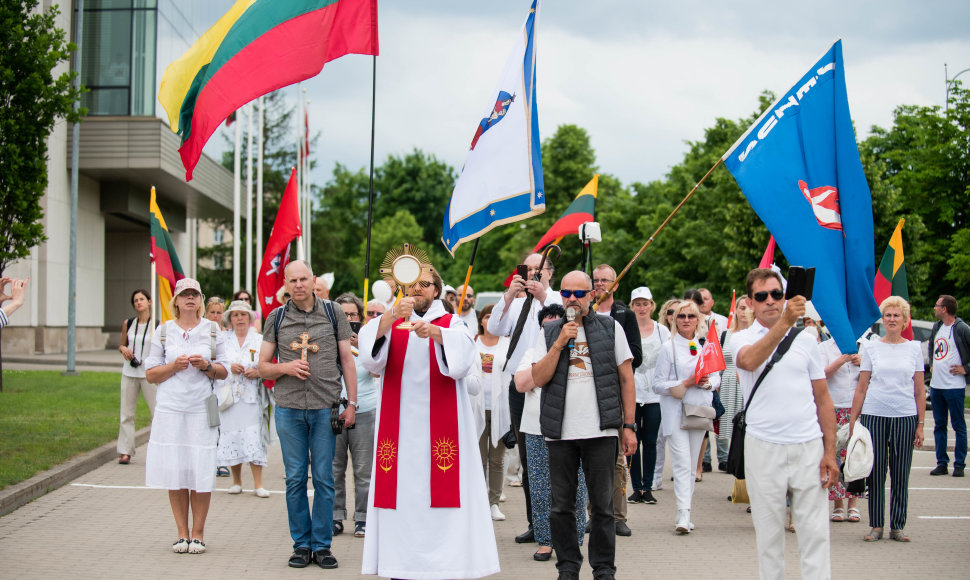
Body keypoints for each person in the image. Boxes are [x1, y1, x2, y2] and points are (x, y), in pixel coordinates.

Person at [358, 264, 500, 578]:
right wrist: (391, 316)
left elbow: (463, 361)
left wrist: (435, 333)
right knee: (402, 498)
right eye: (412, 284)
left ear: (436, 290)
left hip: (442, 435)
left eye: (425, 284)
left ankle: (445, 566)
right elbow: (369, 357)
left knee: (443, 499)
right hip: (399, 436)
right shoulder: (390, 322)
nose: (417, 289)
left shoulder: (452, 322)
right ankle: (400, 565)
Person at [731, 268, 838, 580]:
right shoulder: (740, 338)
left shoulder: (807, 340)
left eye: (776, 294)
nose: (770, 301)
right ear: (750, 302)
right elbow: (749, 361)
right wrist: (786, 323)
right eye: (761, 296)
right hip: (764, 446)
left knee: (815, 533)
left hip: (808, 446)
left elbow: (823, 398)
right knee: (769, 535)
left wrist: (830, 452)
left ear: (785, 295)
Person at [530, 270, 637, 580]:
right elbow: (538, 377)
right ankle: (567, 566)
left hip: (601, 431)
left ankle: (603, 568)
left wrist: (628, 425)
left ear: (593, 295)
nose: (573, 299)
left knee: (603, 507)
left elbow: (627, 378)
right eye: (566, 294)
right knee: (561, 507)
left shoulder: (610, 327)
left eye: (579, 293)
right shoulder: (550, 332)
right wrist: (559, 343)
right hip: (560, 432)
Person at [257, 260, 357, 570]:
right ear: (285, 284)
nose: (299, 285)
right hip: (288, 409)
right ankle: (301, 545)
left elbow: (347, 359)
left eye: (303, 279)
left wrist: (351, 403)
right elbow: (261, 366)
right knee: (296, 479)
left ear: (313, 280)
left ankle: (323, 545)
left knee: (325, 480)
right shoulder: (276, 317)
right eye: (293, 280)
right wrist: (285, 367)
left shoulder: (332, 312)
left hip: (324, 408)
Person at [144, 278, 229, 555]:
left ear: (200, 300)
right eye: (185, 294)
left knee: (201, 469)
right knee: (176, 469)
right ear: (176, 301)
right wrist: (173, 366)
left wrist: (206, 365)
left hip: (201, 408)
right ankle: (181, 533)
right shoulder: (164, 330)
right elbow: (151, 374)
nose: (190, 298)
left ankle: (199, 533)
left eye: (194, 294)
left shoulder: (213, 330)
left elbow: (225, 370)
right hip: (171, 408)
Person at [486, 252, 562, 544]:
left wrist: (542, 297)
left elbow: (563, 320)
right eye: (528, 270)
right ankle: (537, 522)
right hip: (521, 386)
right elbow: (494, 329)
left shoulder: (555, 297)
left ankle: (559, 521)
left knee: (556, 457)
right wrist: (509, 295)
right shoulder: (516, 304)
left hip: (553, 386)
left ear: (549, 273)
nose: (533, 274)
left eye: (538, 270)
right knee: (530, 459)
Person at [515, 303, 589, 562]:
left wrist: (541, 374)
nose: (553, 329)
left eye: (557, 324)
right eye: (548, 325)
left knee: (575, 488)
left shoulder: (578, 350)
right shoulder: (530, 352)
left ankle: (574, 538)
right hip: (536, 428)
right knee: (540, 487)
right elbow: (522, 383)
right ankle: (546, 540)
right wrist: (545, 366)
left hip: (573, 427)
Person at [849, 296, 925, 542]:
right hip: (874, 414)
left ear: (905, 320)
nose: (892, 319)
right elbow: (862, 386)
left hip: (905, 415)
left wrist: (921, 424)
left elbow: (919, 390)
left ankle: (898, 526)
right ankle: (876, 525)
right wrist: (853, 420)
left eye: (897, 315)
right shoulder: (871, 347)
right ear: (883, 319)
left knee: (901, 472)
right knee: (876, 472)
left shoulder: (914, 348)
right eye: (888, 315)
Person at [652, 300, 720, 533]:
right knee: (681, 463)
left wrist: (707, 383)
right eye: (681, 316)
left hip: (698, 411)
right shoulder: (668, 347)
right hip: (675, 412)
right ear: (674, 319)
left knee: (692, 466)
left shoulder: (705, 345)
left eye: (691, 316)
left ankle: (687, 512)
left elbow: (716, 375)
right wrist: (686, 382)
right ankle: (682, 514)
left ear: (698, 319)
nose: (686, 320)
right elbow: (657, 384)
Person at [591, 264, 642, 537]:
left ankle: (618, 515)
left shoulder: (625, 315)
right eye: (596, 280)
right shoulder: (583, 312)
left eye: (605, 281)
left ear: (615, 284)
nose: (600, 285)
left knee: (617, 457)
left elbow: (636, 356)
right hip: (589, 392)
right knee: (589, 454)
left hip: (615, 390)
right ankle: (593, 513)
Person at [332, 292, 377, 539]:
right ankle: (335, 516)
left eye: (352, 314)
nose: (348, 318)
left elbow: (380, 372)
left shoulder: (369, 338)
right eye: (343, 314)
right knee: (334, 468)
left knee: (364, 469)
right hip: (333, 410)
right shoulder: (327, 336)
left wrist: (363, 347)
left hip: (365, 410)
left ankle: (363, 517)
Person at [216, 300, 269, 498]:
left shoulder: (258, 340)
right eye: (235, 315)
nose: (239, 319)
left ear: (249, 318)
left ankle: (258, 484)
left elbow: (267, 363)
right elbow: (216, 363)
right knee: (232, 435)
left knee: (253, 436)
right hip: (229, 396)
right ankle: (236, 481)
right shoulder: (222, 339)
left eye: (243, 315)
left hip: (252, 396)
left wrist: (257, 372)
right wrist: (230, 367)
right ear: (230, 319)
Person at [627, 287, 669, 505]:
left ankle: (648, 486)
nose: (641, 308)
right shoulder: (627, 330)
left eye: (645, 304)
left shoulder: (663, 331)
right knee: (633, 441)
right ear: (632, 306)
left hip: (654, 396)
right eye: (637, 304)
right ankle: (636, 487)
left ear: (652, 306)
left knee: (651, 441)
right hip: (632, 394)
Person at [819, 323, 863, 523]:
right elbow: (822, 374)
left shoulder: (865, 346)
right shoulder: (825, 348)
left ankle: (853, 503)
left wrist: (862, 363)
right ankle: (837, 503)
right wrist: (842, 360)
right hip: (832, 407)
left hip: (856, 408)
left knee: (854, 455)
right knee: (834, 455)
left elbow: (874, 376)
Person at [474, 304, 512, 521]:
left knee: (497, 459)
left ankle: (493, 502)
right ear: (481, 320)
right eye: (487, 316)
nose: (490, 320)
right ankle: (478, 501)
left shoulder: (506, 345)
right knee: (478, 458)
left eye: (494, 317)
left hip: (500, 408)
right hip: (477, 408)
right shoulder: (472, 342)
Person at [928, 294, 969, 477]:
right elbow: (931, 347)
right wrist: (931, 363)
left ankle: (959, 464)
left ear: (944, 309)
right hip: (937, 386)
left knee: (958, 425)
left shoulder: (962, 329)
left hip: (954, 386)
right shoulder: (937, 327)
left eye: (937, 306)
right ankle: (941, 463)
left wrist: (966, 368)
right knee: (939, 425)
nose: (935, 308)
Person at [117, 289, 157, 465]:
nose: (138, 302)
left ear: (149, 301)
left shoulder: (157, 325)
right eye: (135, 300)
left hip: (149, 373)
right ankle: (125, 451)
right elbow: (122, 344)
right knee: (127, 413)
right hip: (129, 372)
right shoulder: (129, 323)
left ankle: (158, 449)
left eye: (142, 299)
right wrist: (123, 349)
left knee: (157, 412)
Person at [718, 296, 752, 470]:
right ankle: (736, 474)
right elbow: (720, 364)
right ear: (735, 311)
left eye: (747, 308)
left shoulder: (756, 335)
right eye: (741, 308)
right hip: (729, 383)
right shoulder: (727, 334)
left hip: (748, 383)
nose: (744, 312)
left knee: (749, 429)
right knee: (732, 431)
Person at [651, 297, 681, 491]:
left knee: (679, 440)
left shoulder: (691, 338)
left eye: (679, 313)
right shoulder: (660, 333)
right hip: (659, 391)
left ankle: (682, 477)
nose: (675, 316)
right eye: (671, 312)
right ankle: (655, 476)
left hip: (682, 395)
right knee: (658, 438)